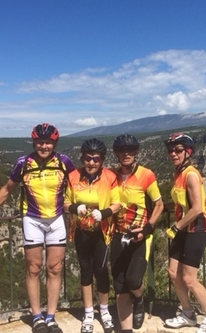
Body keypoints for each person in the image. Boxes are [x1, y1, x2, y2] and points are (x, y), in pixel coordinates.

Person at [0, 123, 75, 333]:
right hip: (32, 219)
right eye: (40, 142)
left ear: (54, 143)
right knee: (33, 268)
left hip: (56, 219)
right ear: (34, 142)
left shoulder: (63, 162)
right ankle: (37, 316)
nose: (44, 146)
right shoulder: (24, 163)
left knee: (55, 269)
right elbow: (7, 189)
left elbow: (78, 185)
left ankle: (51, 317)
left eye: (48, 142)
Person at [64, 138, 121, 333]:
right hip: (81, 231)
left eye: (96, 159)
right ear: (82, 159)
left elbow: (117, 203)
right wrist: (74, 207)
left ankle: (104, 311)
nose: (91, 163)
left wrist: (103, 213)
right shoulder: (72, 176)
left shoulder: (110, 177)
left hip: (102, 232)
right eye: (88, 158)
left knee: (101, 270)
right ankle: (88, 313)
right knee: (86, 271)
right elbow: (64, 203)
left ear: (102, 160)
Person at [163, 133, 206, 333]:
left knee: (188, 278)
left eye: (178, 150)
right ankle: (188, 313)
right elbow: (180, 203)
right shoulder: (177, 174)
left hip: (197, 227)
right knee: (172, 273)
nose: (173, 154)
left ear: (188, 152)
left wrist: (176, 226)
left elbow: (196, 209)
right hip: (183, 227)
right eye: (170, 150)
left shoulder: (191, 174)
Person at [110, 134, 164, 333]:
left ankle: (139, 300)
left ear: (135, 152)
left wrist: (148, 228)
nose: (126, 154)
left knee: (133, 280)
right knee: (120, 284)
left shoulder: (146, 174)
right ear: (116, 153)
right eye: (122, 150)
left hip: (140, 236)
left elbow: (158, 204)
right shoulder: (111, 176)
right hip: (117, 235)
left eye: (130, 150)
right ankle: (126, 329)